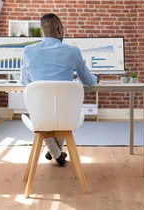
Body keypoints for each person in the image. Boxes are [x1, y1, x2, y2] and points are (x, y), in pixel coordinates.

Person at [21, 13, 97, 166]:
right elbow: (88, 82)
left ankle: (55, 152)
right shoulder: (72, 51)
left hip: (40, 115)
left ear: (42, 31)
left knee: (41, 115)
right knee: (63, 109)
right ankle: (57, 154)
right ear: (59, 29)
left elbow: (25, 82)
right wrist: (95, 78)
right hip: (66, 115)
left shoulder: (28, 51)